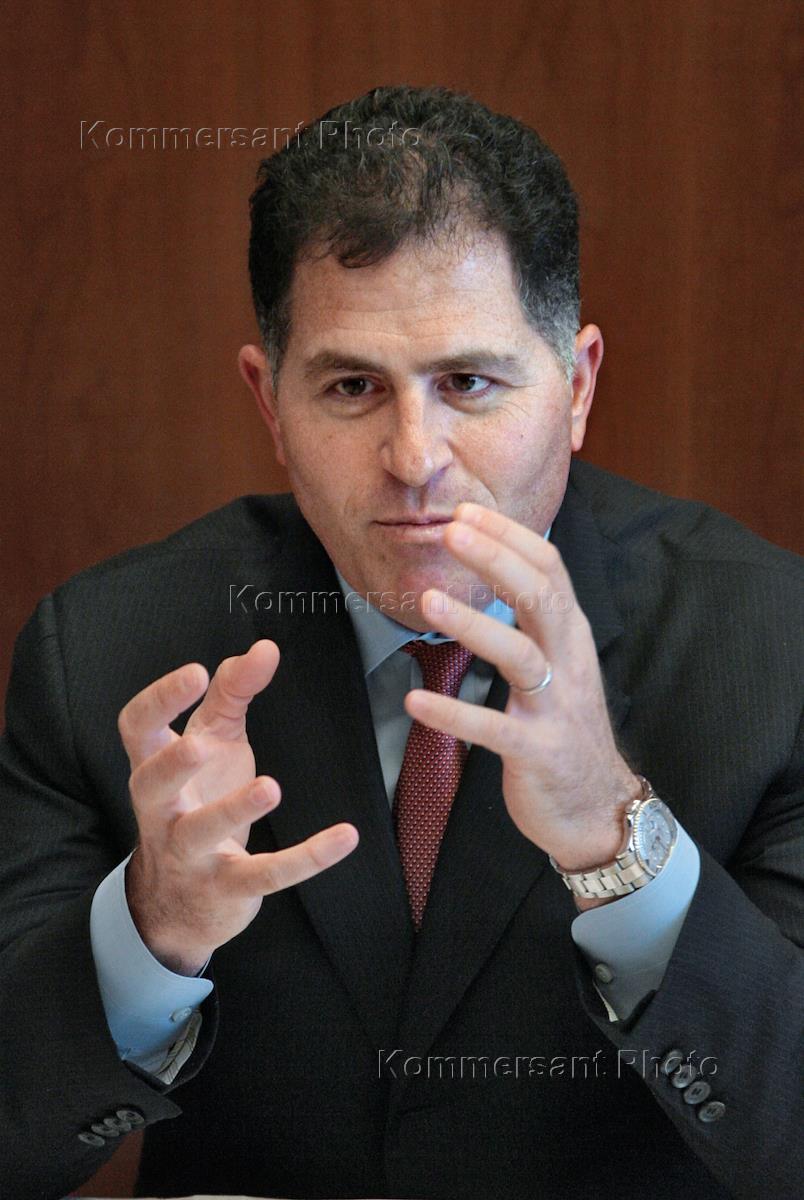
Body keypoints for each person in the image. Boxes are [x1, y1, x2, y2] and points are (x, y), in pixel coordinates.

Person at [0, 85, 801, 1200]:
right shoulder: (104, 649)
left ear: (576, 388)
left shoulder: (773, 647)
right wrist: (152, 932)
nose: (414, 457)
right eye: (352, 387)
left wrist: (618, 837)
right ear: (270, 404)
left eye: (468, 383)